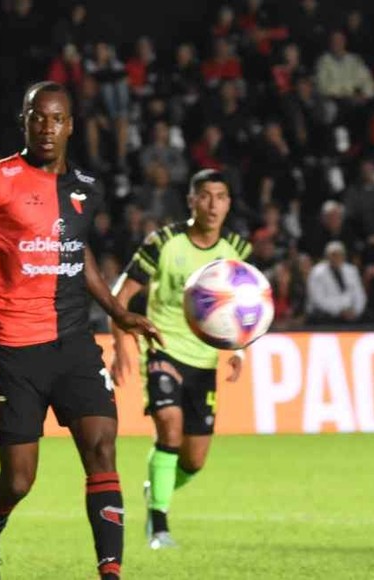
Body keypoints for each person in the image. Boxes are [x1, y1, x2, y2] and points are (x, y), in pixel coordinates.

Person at [0, 80, 162, 580]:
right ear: (25, 121)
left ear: (71, 126)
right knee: (18, 480)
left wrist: (117, 311)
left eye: (57, 119)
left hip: (75, 341)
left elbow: (78, 252)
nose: (47, 127)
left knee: (102, 448)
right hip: (16, 350)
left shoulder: (85, 187)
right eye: (38, 117)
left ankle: (111, 571)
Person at [110, 169, 251, 550]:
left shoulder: (237, 250)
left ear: (228, 203)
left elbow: (247, 307)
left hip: (204, 361)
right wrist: (120, 347)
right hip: (163, 349)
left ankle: (157, 486)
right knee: (169, 428)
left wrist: (239, 349)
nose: (212, 204)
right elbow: (120, 296)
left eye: (220, 197)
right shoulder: (163, 242)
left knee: (194, 460)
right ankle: (159, 525)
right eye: (204, 196)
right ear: (191, 201)